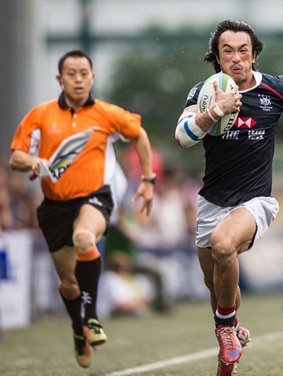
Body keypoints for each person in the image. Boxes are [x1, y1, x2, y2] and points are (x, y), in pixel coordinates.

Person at [174, 19, 283, 376]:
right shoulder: (204, 91)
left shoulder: (276, 88)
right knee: (218, 285)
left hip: (256, 201)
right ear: (218, 58)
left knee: (225, 247)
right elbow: (183, 136)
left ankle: (225, 331)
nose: (236, 58)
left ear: (254, 55)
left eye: (243, 50)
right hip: (212, 202)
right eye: (228, 51)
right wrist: (215, 111)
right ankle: (233, 329)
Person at [8, 50, 155, 368]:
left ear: (92, 77)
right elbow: (15, 158)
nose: (78, 78)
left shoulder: (106, 113)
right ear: (59, 79)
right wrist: (35, 162)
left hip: (94, 198)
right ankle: (78, 329)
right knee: (69, 282)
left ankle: (91, 318)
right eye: (71, 73)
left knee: (86, 238)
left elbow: (139, 135)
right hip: (54, 207)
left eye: (83, 72)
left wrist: (148, 180)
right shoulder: (40, 116)